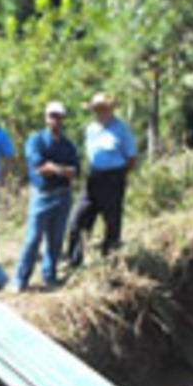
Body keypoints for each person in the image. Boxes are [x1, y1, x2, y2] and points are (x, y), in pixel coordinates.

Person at [12, 101, 81, 291]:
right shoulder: (36, 140)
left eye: (58, 116)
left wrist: (54, 168)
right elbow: (40, 168)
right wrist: (60, 169)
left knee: (56, 240)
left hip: (63, 196)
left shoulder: (68, 145)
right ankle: (20, 280)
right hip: (42, 195)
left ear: (63, 119)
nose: (55, 120)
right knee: (33, 239)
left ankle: (49, 277)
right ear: (46, 117)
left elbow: (75, 171)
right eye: (52, 116)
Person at [66, 93, 138, 265]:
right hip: (93, 177)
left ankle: (110, 260)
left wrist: (119, 174)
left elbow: (132, 158)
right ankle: (74, 259)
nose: (101, 112)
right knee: (79, 219)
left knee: (112, 220)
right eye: (97, 109)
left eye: (104, 109)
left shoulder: (122, 129)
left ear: (111, 109)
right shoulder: (91, 129)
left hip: (114, 178)